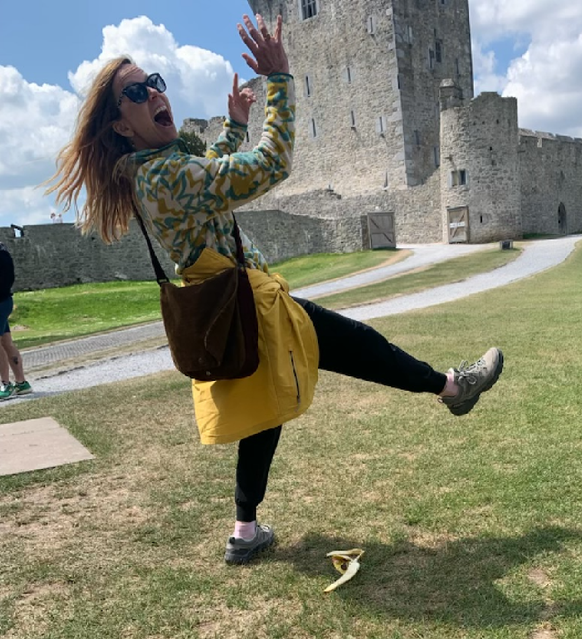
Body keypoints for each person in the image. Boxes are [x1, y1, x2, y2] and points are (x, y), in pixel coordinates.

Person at [45, 14, 503, 564]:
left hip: (241, 301)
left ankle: (245, 531)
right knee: (356, 344)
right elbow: (271, 165)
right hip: (248, 304)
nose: (155, 94)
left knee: (268, 411)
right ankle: (453, 388)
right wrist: (280, 81)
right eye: (137, 93)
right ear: (121, 125)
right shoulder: (163, 176)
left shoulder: (157, 171)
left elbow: (208, 172)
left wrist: (236, 125)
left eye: (155, 83)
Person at [0, 243, 32, 400]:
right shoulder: (3, 253)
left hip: (1, 301)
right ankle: (21, 383)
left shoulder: (2, 255)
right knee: (6, 342)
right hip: (4, 301)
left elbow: (5, 281)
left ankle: (6, 384)